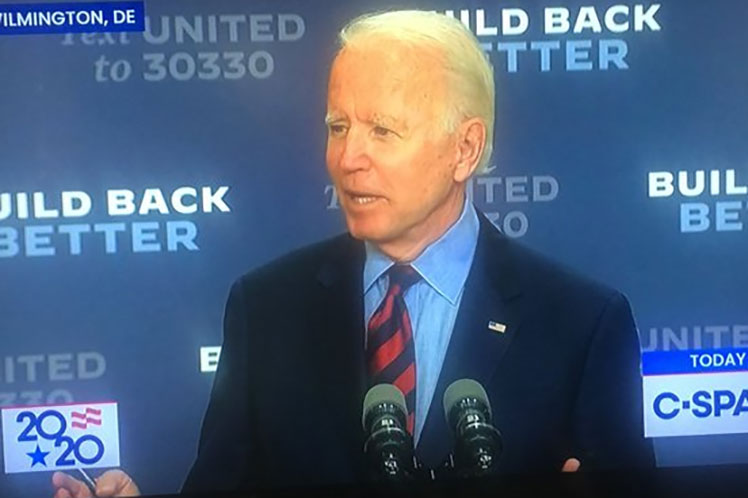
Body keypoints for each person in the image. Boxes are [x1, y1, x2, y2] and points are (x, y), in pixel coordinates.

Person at [52, 9, 654, 497]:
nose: (347, 158)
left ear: (464, 149)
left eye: (382, 131)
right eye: (339, 126)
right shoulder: (265, 309)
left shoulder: (582, 325)